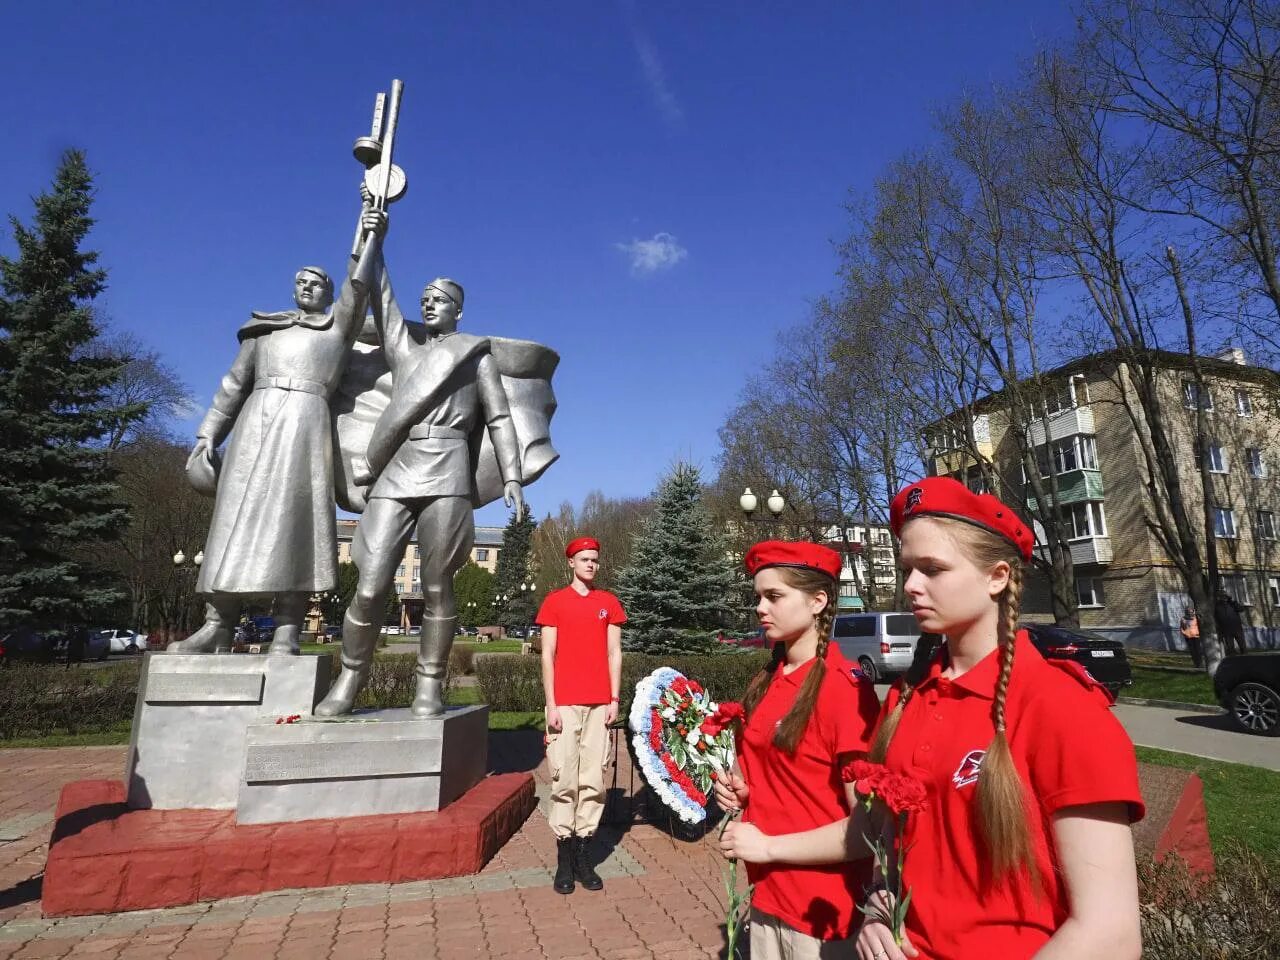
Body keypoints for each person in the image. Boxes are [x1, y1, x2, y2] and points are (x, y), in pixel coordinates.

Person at [857, 477, 1144, 960]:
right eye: (908, 568)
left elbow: (1109, 935)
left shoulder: (1061, 708)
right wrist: (876, 909)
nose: (910, 586)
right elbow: (894, 840)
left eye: (932, 569)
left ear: (997, 577)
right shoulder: (906, 698)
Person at [316, 254, 525, 718]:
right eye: (426, 300)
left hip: (449, 470)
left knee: (436, 584)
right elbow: (383, 298)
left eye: (441, 300)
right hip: (399, 469)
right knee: (369, 586)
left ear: (458, 310)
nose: (430, 305)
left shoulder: (475, 356)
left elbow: (500, 419)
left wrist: (511, 474)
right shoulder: (405, 351)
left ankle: (429, 684)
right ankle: (349, 680)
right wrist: (377, 236)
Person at [171, 208, 386, 656]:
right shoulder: (263, 334)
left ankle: (289, 627)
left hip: (306, 427)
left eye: (317, 283)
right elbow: (232, 386)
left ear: (328, 293)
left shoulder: (336, 330)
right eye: (301, 281)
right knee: (233, 521)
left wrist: (370, 236)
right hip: (255, 424)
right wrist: (207, 434)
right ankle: (218, 623)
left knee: (299, 521)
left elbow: (359, 289)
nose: (308, 287)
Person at [713, 540, 882, 959]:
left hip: (822, 915)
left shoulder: (844, 689)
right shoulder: (768, 680)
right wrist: (742, 791)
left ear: (818, 601)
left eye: (774, 596)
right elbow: (784, 776)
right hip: (769, 895)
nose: (760, 608)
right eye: (758, 597)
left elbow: (867, 830)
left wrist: (768, 847)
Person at [537, 536, 625, 895]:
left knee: (593, 780)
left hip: (599, 704)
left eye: (595, 560)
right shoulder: (555, 602)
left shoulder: (609, 603)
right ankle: (564, 858)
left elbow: (615, 654)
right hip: (566, 705)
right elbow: (547, 656)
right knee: (563, 780)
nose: (591, 564)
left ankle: (584, 854)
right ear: (571, 562)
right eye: (585, 559)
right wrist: (552, 704)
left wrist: (614, 699)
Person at [1214, 592, 1246, 657]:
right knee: (1230, 647)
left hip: (1237, 628)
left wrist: (1232, 601)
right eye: (1222, 597)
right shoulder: (1217, 606)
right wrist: (1219, 628)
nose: (1224, 599)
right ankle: (1233, 660)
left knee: (1242, 645)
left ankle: (1245, 657)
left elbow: (1241, 609)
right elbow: (1216, 618)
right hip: (1226, 630)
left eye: (1225, 597)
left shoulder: (1233, 604)